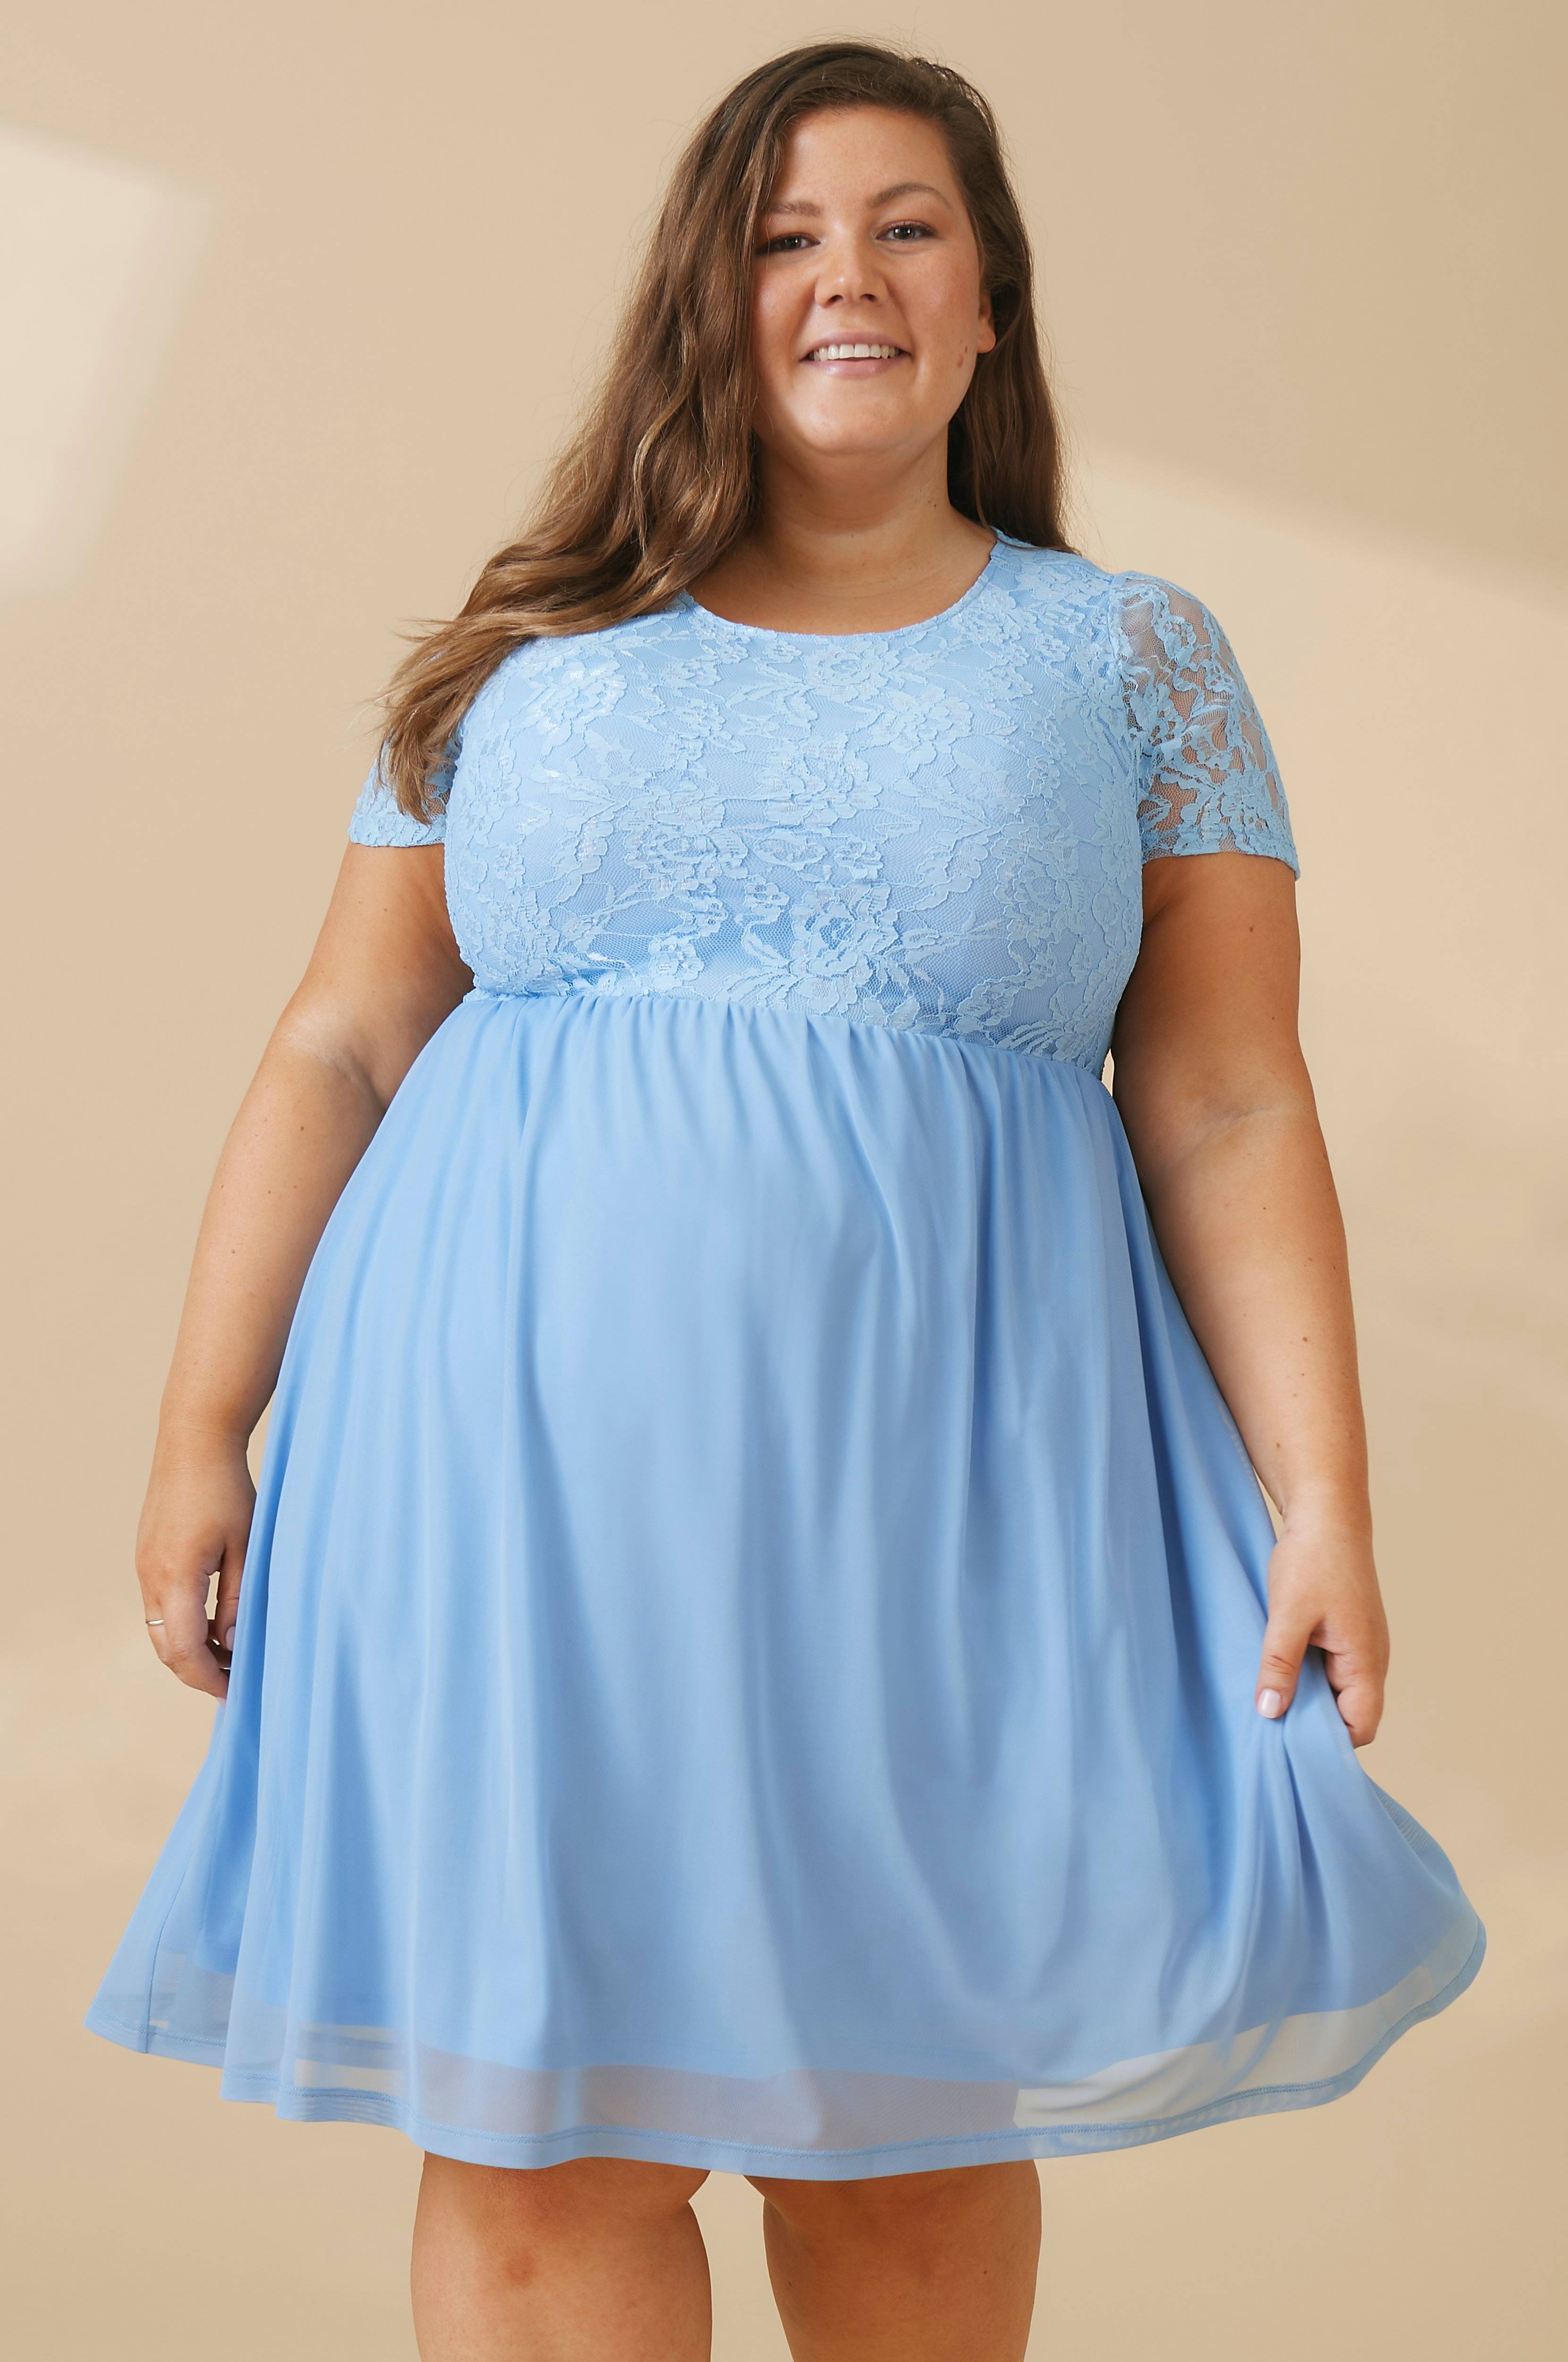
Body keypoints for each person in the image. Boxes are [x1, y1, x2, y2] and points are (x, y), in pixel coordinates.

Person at [86, 39, 1484, 2362]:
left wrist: (1319, 1497)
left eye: (905, 227)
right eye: (782, 235)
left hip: (941, 1487)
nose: (846, 276)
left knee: (906, 2126)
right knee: (536, 2131)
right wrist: (199, 1427)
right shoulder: (528, 651)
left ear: (988, 303)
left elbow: (1226, 1098)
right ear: (703, 296)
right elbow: (339, 1038)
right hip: (509, 1485)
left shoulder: (1126, 659)